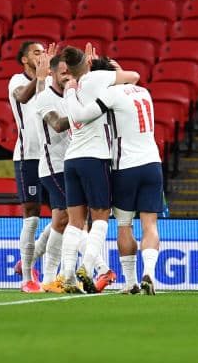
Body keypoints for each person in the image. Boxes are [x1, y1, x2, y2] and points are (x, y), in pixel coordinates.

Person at [64, 78, 164, 296]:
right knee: (150, 226)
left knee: (124, 225)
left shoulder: (112, 94)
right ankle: (149, 273)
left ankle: (130, 282)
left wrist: (71, 92)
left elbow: (80, 116)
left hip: (126, 167)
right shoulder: (144, 92)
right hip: (153, 163)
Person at [59, 46, 140, 294]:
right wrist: (105, 68)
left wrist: (85, 68)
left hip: (71, 159)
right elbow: (133, 76)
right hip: (95, 158)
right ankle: (88, 265)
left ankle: (67, 277)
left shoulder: (68, 89)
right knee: (101, 217)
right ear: (88, 63)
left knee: (74, 223)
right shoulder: (98, 78)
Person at [8, 41, 55, 293]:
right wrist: (40, 77)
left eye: (43, 52)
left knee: (66, 213)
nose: (41, 56)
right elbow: (23, 97)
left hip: (52, 157)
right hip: (28, 157)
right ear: (24, 60)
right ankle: (27, 277)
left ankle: (31, 257)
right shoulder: (16, 80)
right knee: (32, 215)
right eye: (36, 53)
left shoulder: (48, 81)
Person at [32, 54, 74, 292]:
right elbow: (57, 124)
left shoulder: (70, 96)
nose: (67, 75)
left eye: (71, 72)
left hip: (70, 165)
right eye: (63, 72)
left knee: (62, 220)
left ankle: (45, 273)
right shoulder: (46, 97)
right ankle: (50, 276)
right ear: (54, 74)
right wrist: (85, 114)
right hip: (52, 166)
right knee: (68, 218)